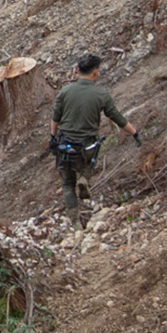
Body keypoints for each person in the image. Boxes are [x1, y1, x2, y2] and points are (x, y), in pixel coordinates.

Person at [50, 53, 138, 226]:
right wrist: (135, 133)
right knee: (87, 162)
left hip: (64, 143)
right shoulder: (101, 95)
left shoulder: (65, 91)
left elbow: (55, 119)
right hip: (86, 145)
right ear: (95, 72)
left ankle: (75, 224)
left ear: (77, 70)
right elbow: (118, 118)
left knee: (67, 183)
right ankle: (84, 178)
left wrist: (52, 138)